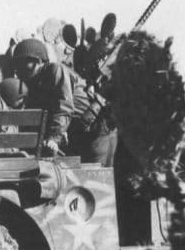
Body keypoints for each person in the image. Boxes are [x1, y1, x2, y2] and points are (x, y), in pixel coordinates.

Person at [13, 38, 117, 166]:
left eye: (24, 62)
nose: (19, 68)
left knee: (98, 180)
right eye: (17, 64)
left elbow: (63, 108)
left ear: (39, 61)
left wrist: (54, 138)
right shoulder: (35, 84)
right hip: (78, 132)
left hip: (96, 128)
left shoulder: (54, 70)